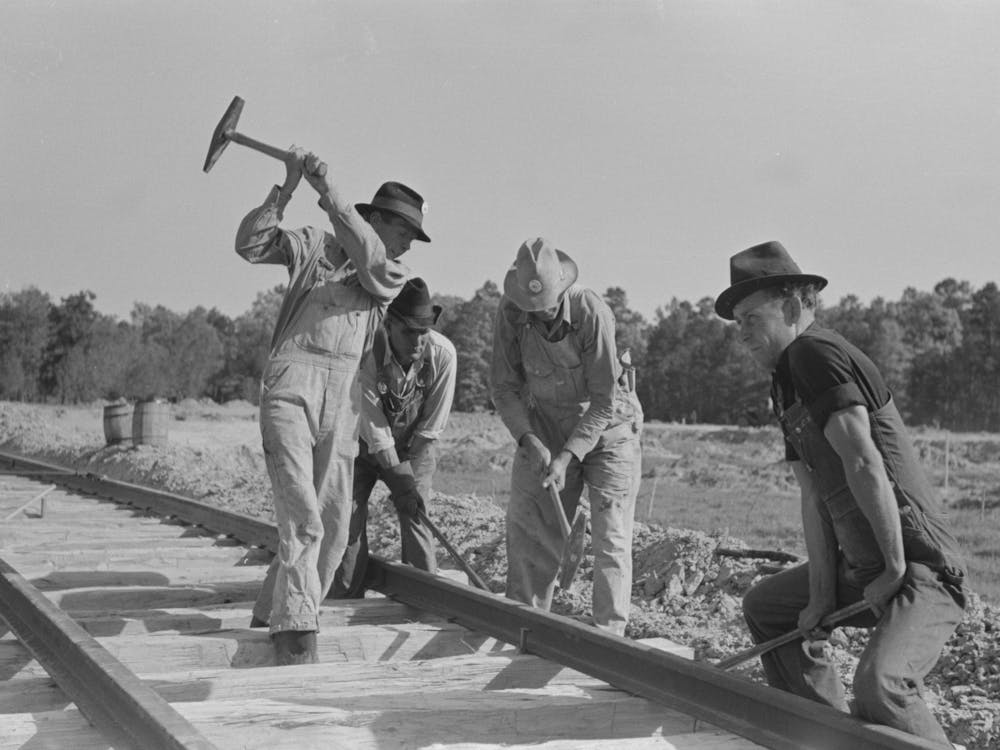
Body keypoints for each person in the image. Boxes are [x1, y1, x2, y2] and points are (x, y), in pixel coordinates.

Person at [715, 240, 966, 744]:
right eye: (736, 323)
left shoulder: (815, 352)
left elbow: (863, 460)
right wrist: (822, 597)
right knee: (769, 607)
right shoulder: (784, 382)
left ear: (790, 306)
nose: (741, 335)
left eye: (749, 319)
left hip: (921, 567)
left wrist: (895, 569)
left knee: (881, 685)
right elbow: (814, 497)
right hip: (866, 566)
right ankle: (830, 738)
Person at [235, 146, 431, 665]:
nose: (409, 242)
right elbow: (251, 245)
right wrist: (288, 185)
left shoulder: (389, 273)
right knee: (303, 516)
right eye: (405, 230)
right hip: (291, 386)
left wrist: (329, 190)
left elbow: (367, 257)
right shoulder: (313, 246)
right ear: (379, 220)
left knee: (333, 524)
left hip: (341, 398)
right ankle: (297, 633)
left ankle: (271, 612)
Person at [490, 237, 643, 636]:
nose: (541, 320)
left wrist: (568, 456)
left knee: (611, 535)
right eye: (532, 314)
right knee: (532, 528)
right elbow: (504, 389)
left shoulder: (592, 311)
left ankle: (609, 638)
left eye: (548, 311)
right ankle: (525, 627)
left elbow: (604, 401)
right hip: (545, 426)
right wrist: (529, 439)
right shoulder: (510, 314)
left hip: (608, 431)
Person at [332, 277, 457, 598]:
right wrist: (398, 478)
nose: (416, 342)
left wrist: (408, 483)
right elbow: (372, 427)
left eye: (423, 332)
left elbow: (431, 426)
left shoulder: (443, 355)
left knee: (416, 514)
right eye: (408, 333)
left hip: (415, 446)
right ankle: (344, 594)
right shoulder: (366, 355)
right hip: (361, 446)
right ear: (389, 325)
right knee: (348, 519)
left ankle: (422, 597)